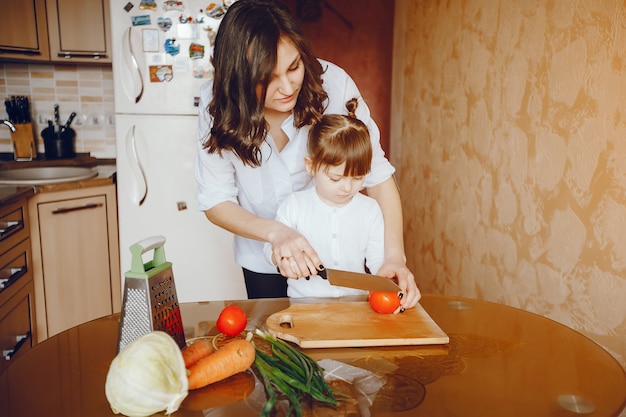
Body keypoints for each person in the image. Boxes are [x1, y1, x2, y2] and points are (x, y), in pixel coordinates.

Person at [195, 0, 420, 309]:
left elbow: (379, 178)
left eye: (294, 67)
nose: (287, 87)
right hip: (261, 255)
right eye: (266, 79)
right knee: (276, 347)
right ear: (238, 79)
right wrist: (277, 233)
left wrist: (395, 257)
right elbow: (216, 200)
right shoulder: (216, 103)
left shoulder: (335, 86)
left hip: (336, 263)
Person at [264, 98, 393, 301]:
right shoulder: (295, 205)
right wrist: (281, 258)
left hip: (355, 306)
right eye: (335, 178)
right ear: (311, 166)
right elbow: (270, 249)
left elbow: (378, 260)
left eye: (358, 178)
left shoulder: (370, 209)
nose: (348, 187)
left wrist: (387, 281)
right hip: (304, 306)